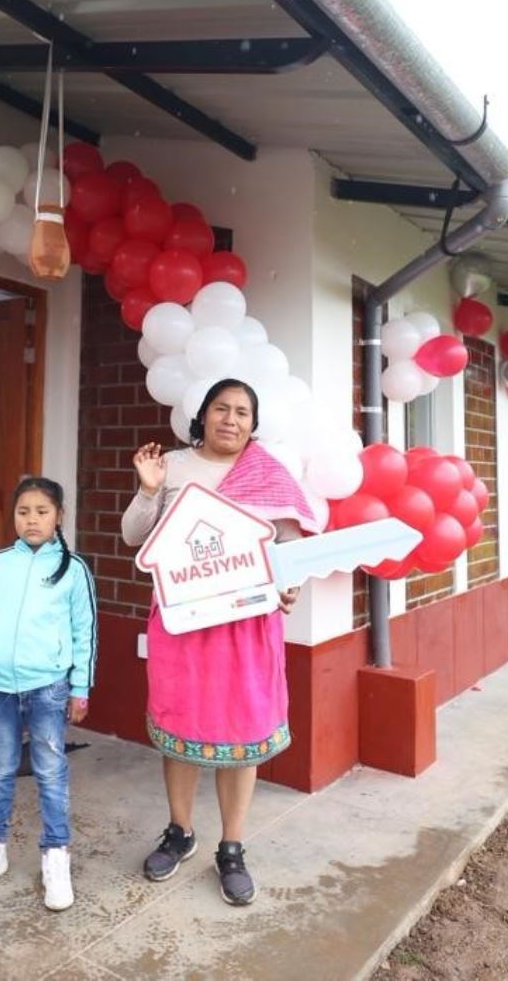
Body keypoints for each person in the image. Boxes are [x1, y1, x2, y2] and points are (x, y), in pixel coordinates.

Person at [122, 379, 321, 906]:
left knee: (243, 729)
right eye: (220, 409)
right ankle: (180, 832)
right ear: (203, 415)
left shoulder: (266, 473)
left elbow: (289, 546)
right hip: (182, 622)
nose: (230, 419)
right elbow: (133, 535)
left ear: (253, 424)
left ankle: (231, 847)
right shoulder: (172, 465)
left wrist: (288, 585)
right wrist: (148, 489)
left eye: (242, 412)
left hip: (246, 626)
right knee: (180, 723)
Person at [0, 476, 97, 912]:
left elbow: (84, 632)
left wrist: (80, 688)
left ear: (59, 517)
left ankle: (56, 855)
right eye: (23, 512)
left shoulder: (73, 570)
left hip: (48, 688)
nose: (32, 520)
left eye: (41, 512)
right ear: (13, 516)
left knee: (51, 772)